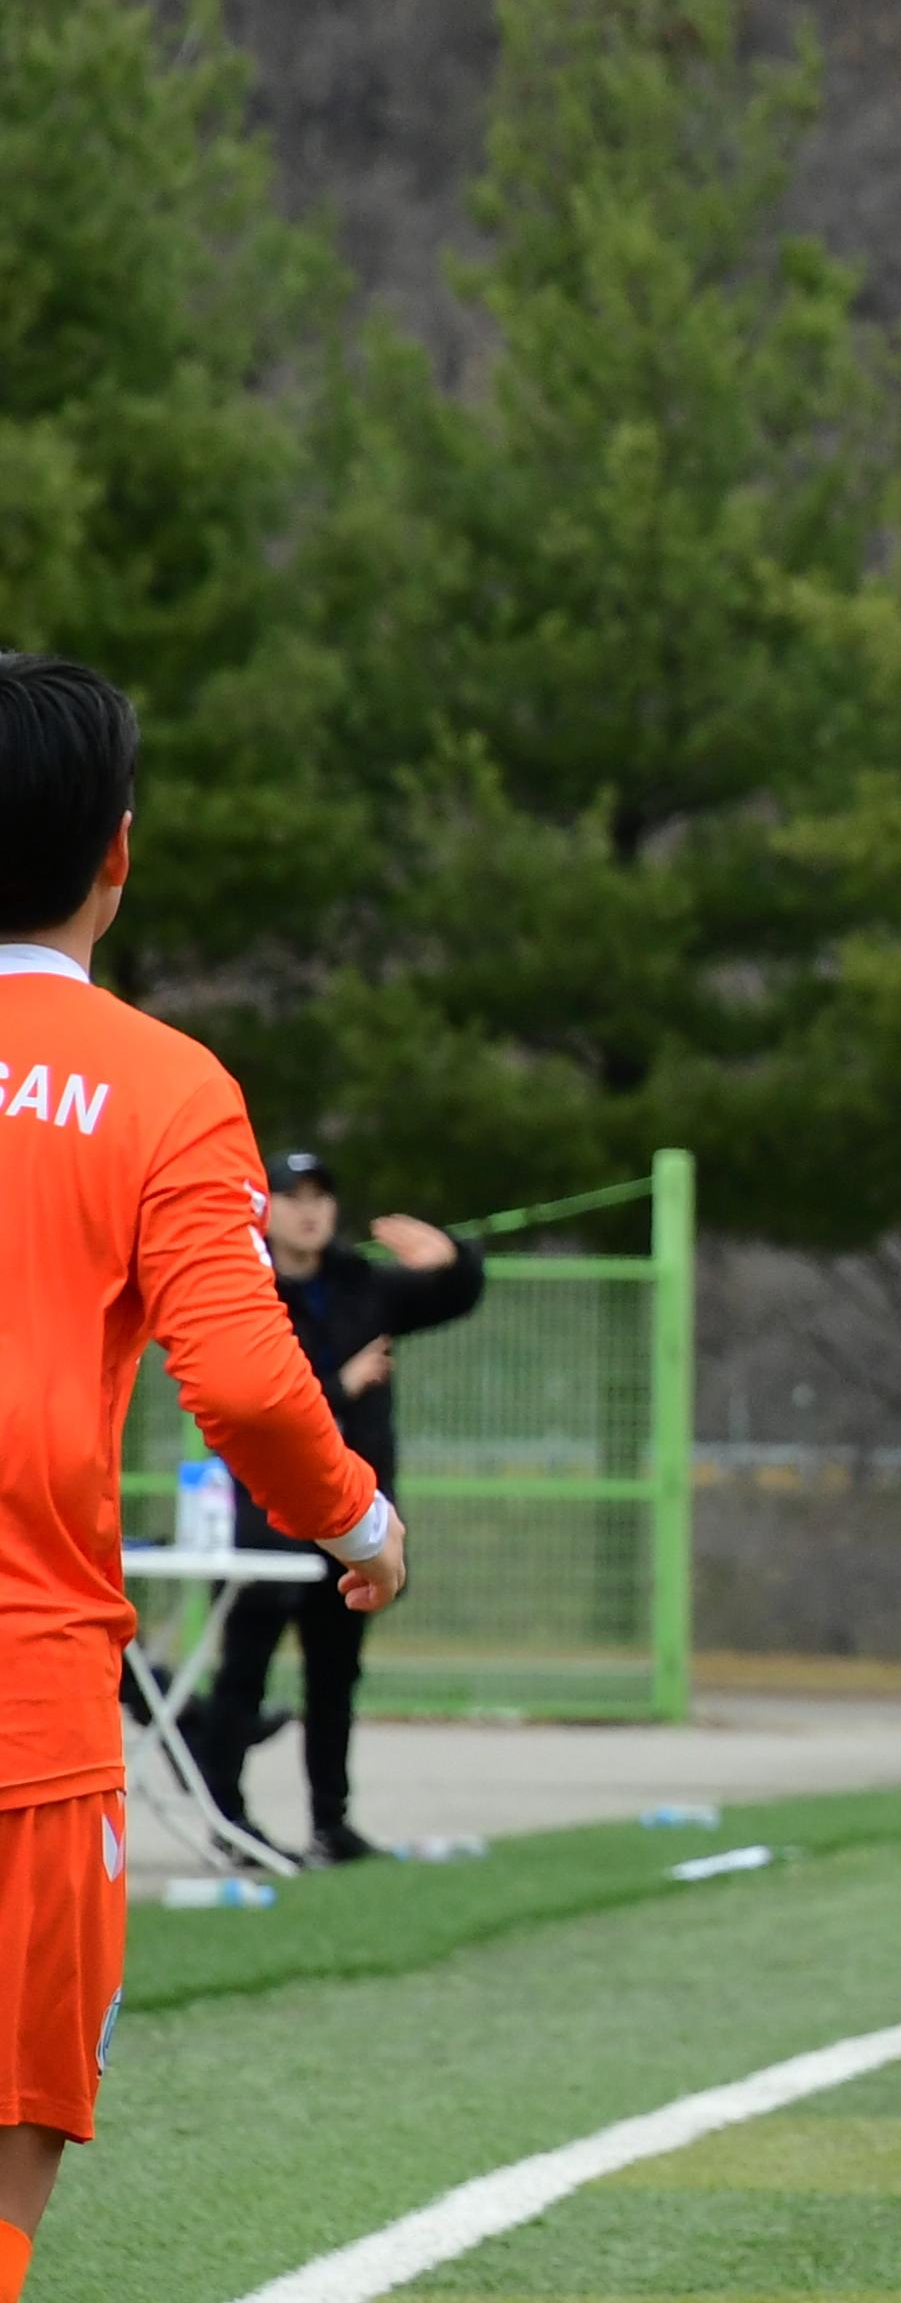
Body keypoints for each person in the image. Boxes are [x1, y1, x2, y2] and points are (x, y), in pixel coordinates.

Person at [0, 651, 408, 2298]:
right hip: (20, 1687)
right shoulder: (165, 1088)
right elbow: (240, 1371)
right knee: (21, 2097)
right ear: (119, 851)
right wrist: (353, 1516)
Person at [187, 1149, 484, 1863]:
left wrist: (456, 1260)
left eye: (321, 1196)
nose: (310, 1210)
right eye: (293, 1196)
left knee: (334, 1678)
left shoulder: (360, 1286)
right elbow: (250, 1397)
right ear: (266, 1208)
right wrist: (339, 1384)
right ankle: (227, 1823)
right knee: (242, 1676)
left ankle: (331, 1822)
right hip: (264, 1522)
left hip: (350, 1519)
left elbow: (449, 1296)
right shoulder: (242, 1290)